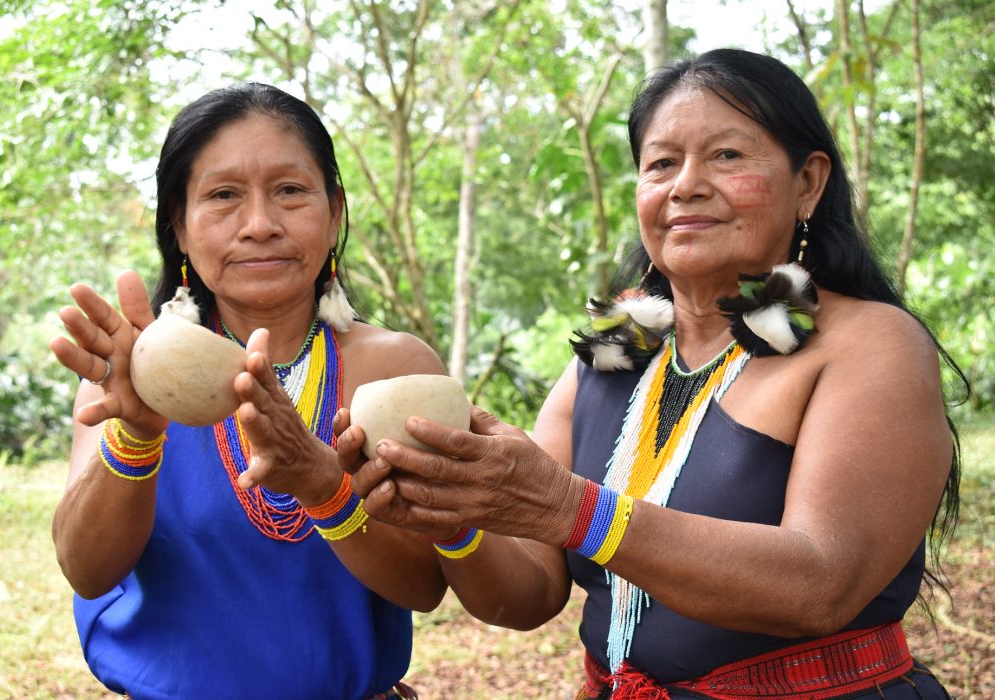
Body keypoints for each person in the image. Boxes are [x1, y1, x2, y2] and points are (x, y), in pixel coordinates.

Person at [341, 48, 961, 698]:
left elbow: (820, 584)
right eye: (661, 163)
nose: (684, 185)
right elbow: (527, 596)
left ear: (808, 182)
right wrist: (458, 516)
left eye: (727, 156)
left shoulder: (869, 341)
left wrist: (568, 506)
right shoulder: (618, 351)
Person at [48, 81, 448, 699]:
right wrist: (137, 434)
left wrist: (324, 486)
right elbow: (87, 570)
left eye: (290, 191)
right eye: (223, 196)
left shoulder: (395, 369)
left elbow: (425, 586)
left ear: (334, 210)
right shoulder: (130, 372)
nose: (260, 225)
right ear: (178, 226)